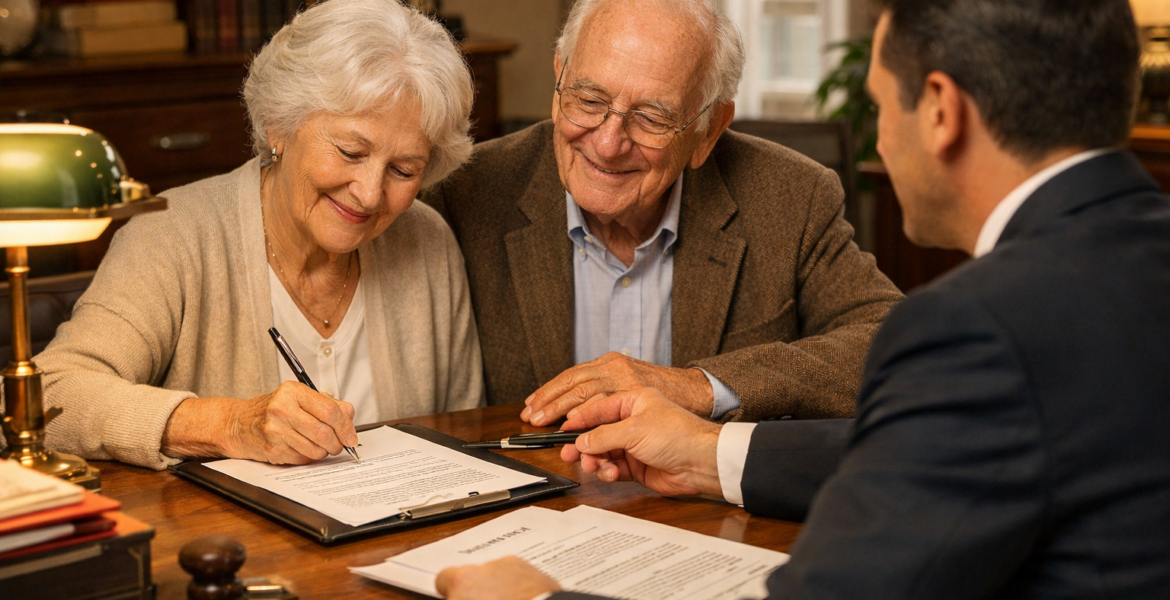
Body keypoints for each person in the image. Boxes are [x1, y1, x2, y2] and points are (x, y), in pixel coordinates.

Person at [435, 0, 1170, 598]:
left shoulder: (977, 324)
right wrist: (709, 454)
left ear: (940, 111)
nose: (609, 140)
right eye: (589, 99)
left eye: (879, 104)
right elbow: (963, 447)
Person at [19, 0, 484, 470]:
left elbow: (465, 435)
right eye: (349, 151)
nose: (368, 194)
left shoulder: (428, 242)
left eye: (404, 170)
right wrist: (230, 425)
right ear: (280, 124)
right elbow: (51, 396)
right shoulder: (172, 234)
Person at [423, 0, 902, 427]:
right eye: (589, 100)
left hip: (703, 511)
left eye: (652, 118)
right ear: (558, 81)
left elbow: (897, 345)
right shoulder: (466, 193)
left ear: (709, 129)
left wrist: (697, 387)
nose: (608, 145)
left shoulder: (791, 198)